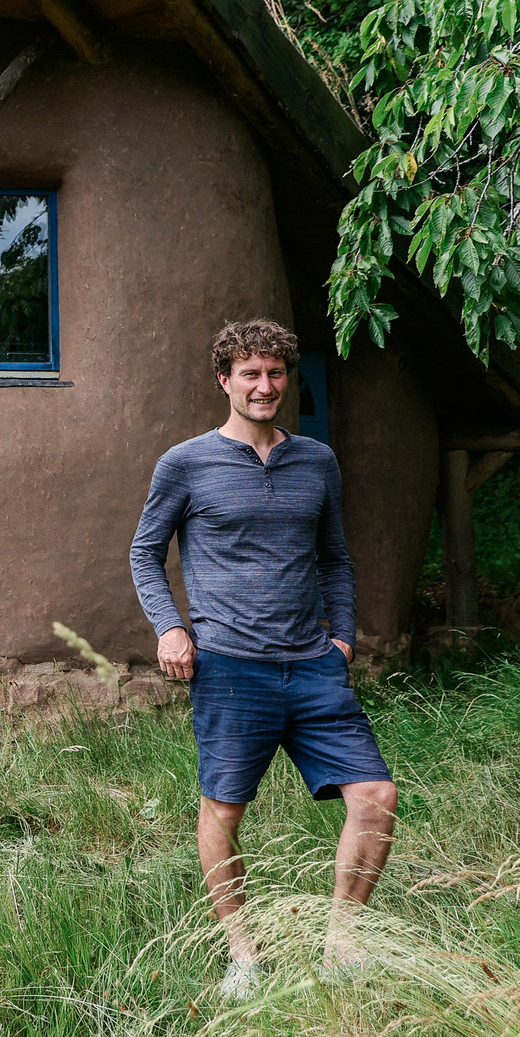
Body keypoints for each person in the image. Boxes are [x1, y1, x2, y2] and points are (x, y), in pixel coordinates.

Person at [129, 318, 397, 995]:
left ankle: (341, 943)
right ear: (224, 380)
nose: (264, 384)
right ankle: (243, 955)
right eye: (250, 372)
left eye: (276, 372)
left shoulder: (317, 461)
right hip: (229, 666)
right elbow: (143, 552)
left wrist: (343, 638)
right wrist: (169, 627)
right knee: (224, 810)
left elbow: (335, 557)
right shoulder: (185, 463)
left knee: (376, 796)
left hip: (313, 664)